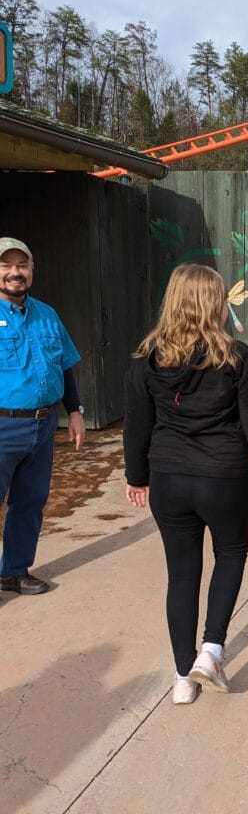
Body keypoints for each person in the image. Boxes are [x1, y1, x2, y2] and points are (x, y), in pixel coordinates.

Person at [123, 263, 248, 706]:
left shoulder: (146, 359)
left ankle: (182, 677)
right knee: (230, 555)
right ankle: (211, 650)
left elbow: (137, 427)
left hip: (169, 480)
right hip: (223, 479)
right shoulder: (238, 357)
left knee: (182, 575)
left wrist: (136, 476)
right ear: (215, 303)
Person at [0, 238, 85, 596]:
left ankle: (14, 571)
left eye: (22, 265)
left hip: (43, 425)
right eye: (6, 265)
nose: (15, 272)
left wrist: (75, 411)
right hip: (2, 427)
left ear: (32, 271)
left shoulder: (47, 315)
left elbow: (63, 367)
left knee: (31, 501)